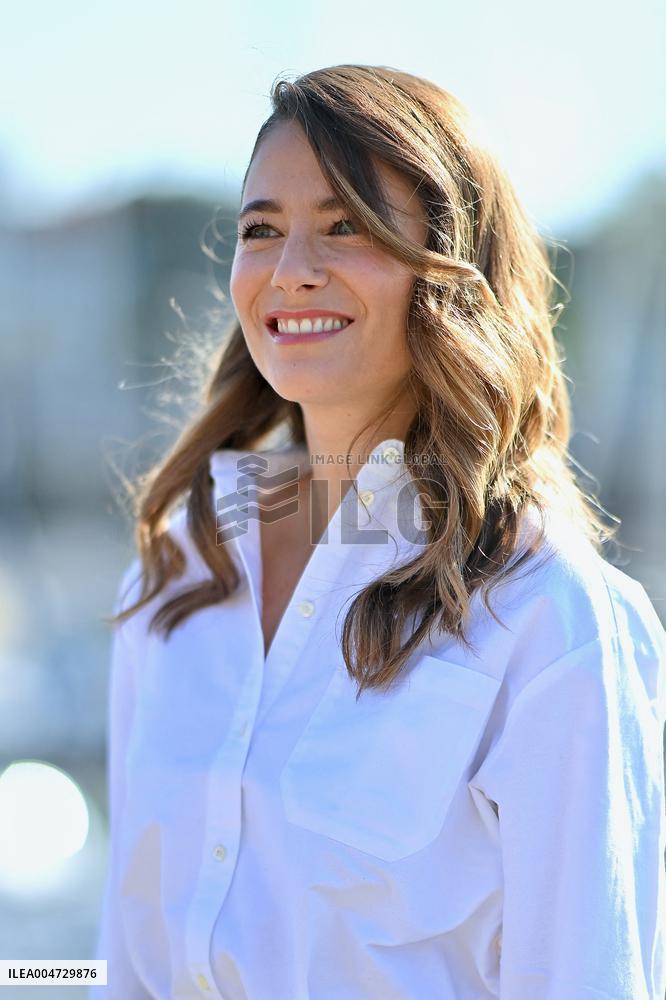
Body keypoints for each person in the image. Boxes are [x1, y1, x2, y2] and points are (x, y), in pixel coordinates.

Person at [90, 65, 666, 999]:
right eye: (261, 229)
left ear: (451, 268)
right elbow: (123, 960)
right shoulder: (174, 579)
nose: (289, 269)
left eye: (345, 224)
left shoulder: (551, 618)